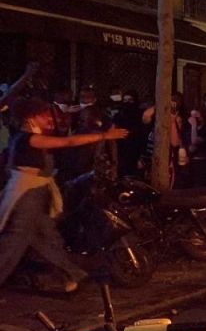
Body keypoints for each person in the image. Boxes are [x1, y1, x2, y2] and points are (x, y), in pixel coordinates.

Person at [0, 98, 127, 292]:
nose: (47, 118)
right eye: (43, 115)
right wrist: (104, 136)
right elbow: (69, 141)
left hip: (33, 193)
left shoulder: (23, 138)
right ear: (30, 118)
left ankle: (73, 274)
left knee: (47, 239)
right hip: (27, 196)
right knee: (15, 242)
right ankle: (72, 273)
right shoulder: (29, 138)